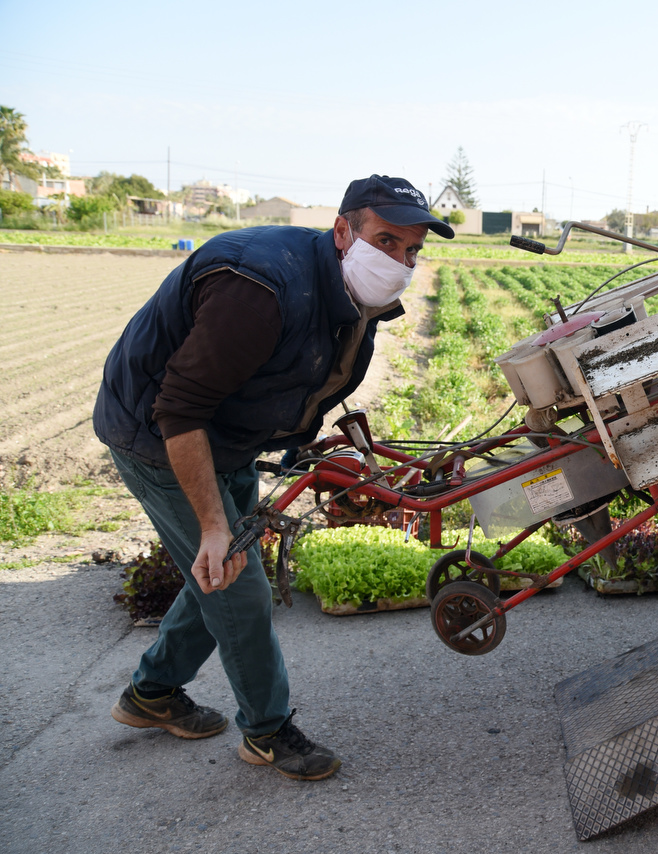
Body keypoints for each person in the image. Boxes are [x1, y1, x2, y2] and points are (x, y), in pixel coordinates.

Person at [94, 175, 454, 780]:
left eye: (411, 250)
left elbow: (302, 374)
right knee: (235, 583)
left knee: (221, 573)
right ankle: (265, 732)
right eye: (386, 240)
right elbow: (179, 410)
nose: (400, 261)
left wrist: (294, 446)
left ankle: (151, 694)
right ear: (344, 230)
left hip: (227, 436)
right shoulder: (259, 287)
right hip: (160, 436)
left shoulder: (348, 290)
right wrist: (212, 523)